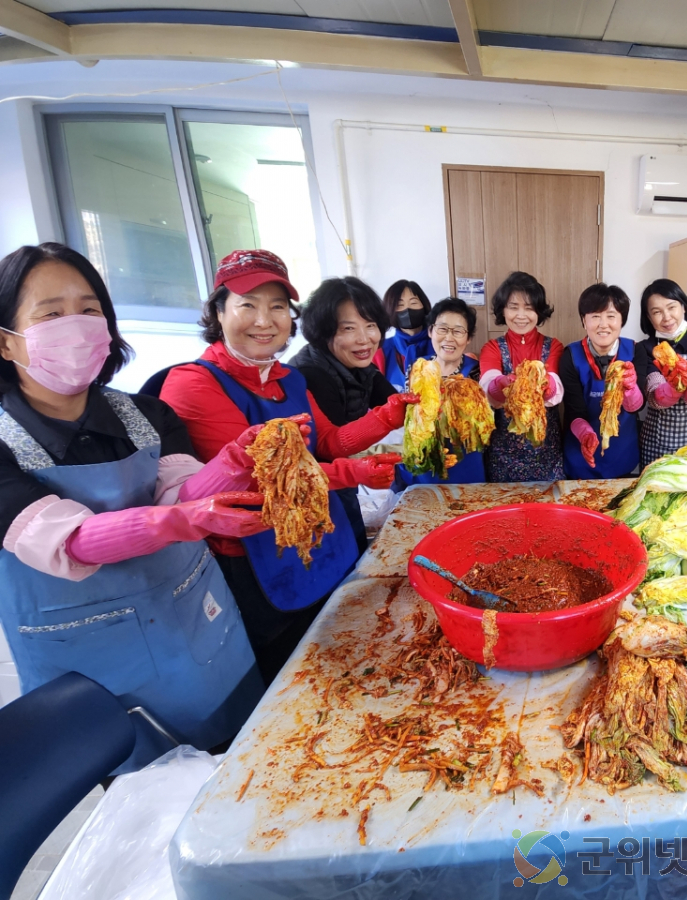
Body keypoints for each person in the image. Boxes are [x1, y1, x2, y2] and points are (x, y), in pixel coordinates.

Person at [0, 243, 266, 771]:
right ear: (6, 341)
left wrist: (233, 462)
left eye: (89, 309)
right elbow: (70, 542)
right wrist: (183, 519)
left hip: (195, 629)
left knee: (246, 764)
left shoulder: (148, 414)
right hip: (91, 663)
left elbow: (183, 492)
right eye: (51, 314)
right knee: (142, 790)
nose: (76, 326)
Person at [160, 250, 412, 681]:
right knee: (292, 675)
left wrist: (388, 415)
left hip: (321, 538)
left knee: (348, 650)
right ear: (218, 311)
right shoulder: (192, 383)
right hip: (258, 558)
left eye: (277, 306)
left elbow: (329, 442)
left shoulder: (288, 379)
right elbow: (263, 481)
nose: (264, 320)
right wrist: (355, 473)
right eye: (248, 305)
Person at [292, 277, 410, 548]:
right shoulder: (311, 374)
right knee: (341, 549)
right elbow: (332, 446)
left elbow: (397, 403)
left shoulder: (361, 366)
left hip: (344, 478)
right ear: (324, 331)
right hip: (315, 486)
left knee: (355, 541)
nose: (364, 339)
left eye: (371, 326)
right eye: (349, 328)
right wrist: (402, 446)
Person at [479, 272, 565, 483]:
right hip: (503, 453)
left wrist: (543, 383)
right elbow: (488, 388)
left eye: (529, 307)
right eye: (513, 307)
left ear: (538, 311)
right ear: (503, 310)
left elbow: (555, 390)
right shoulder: (492, 348)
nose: (521, 315)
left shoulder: (553, 346)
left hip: (546, 450)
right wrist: (504, 384)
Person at [399, 296, 487, 486]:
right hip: (426, 460)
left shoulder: (477, 371)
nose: (449, 337)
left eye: (458, 331)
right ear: (430, 331)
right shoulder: (417, 367)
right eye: (443, 329)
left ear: (468, 338)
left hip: (465, 462)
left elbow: (484, 424)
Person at [560, 283, 645, 479]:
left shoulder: (635, 351)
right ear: (584, 320)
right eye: (595, 316)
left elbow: (636, 407)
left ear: (622, 320)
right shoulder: (570, 355)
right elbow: (574, 410)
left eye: (611, 316)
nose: (603, 324)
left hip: (622, 454)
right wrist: (585, 435)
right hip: (580, 455)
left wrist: (630, 388)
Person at [633, 278, 687, 465]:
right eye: (657, 312)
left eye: (671, 307)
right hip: (656, 443)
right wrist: (672, 388)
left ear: (683, 307)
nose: (666, 317)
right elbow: (655, 396)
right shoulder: (645, 348)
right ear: (649, 317)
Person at [378, 279, 432, 392]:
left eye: (414, 303)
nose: (407, 309)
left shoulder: (439, 344)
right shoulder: (381, 350)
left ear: (424, 305)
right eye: (400, 305)